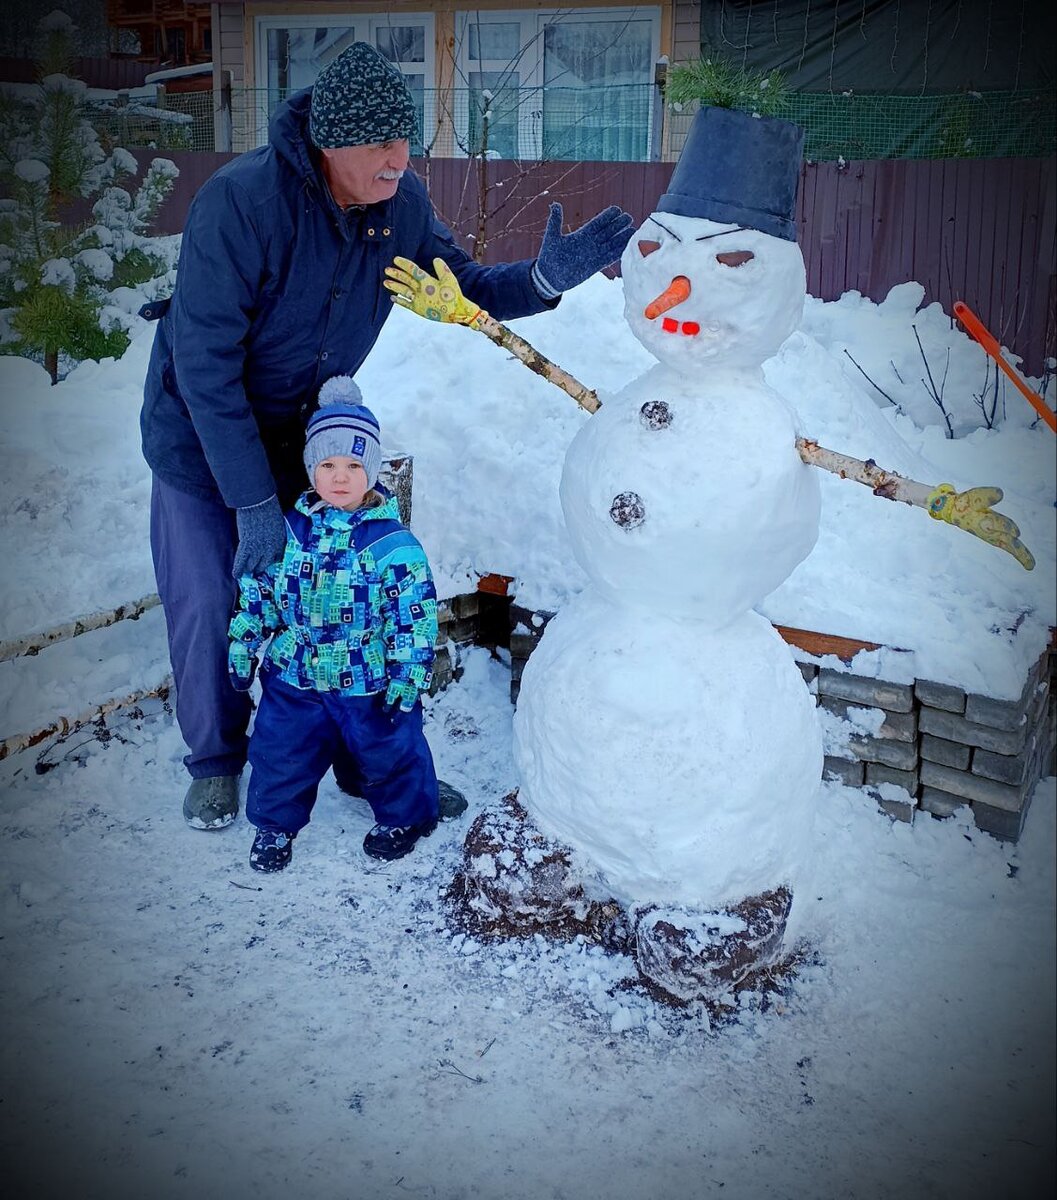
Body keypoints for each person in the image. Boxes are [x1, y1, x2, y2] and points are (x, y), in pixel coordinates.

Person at [140, 41, 634, 831]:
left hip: (308, 436)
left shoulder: (397, 210)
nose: (401, 159)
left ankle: (363, 758)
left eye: (408, 141)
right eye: (382, 145)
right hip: (202, 434)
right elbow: (204, 369)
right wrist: (255, 506)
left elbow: (460, 286)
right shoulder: (240, 206)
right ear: (331, 142)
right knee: (210, 597)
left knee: (345, 600)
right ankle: (217, 759)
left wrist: (539, 283)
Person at [229, 378, 441, 872]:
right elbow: (259, 591)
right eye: (327, 464)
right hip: (294, 672)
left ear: (370, 470)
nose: (340, 477)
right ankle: (274, 827)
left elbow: (415, 616)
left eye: (353, 465)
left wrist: (408, 675)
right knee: (279, 752)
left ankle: (405, 817)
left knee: (390, 749)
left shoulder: (393, 544)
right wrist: (244, 642)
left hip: (366, 677)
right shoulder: (288, 531)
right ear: (311, 469)